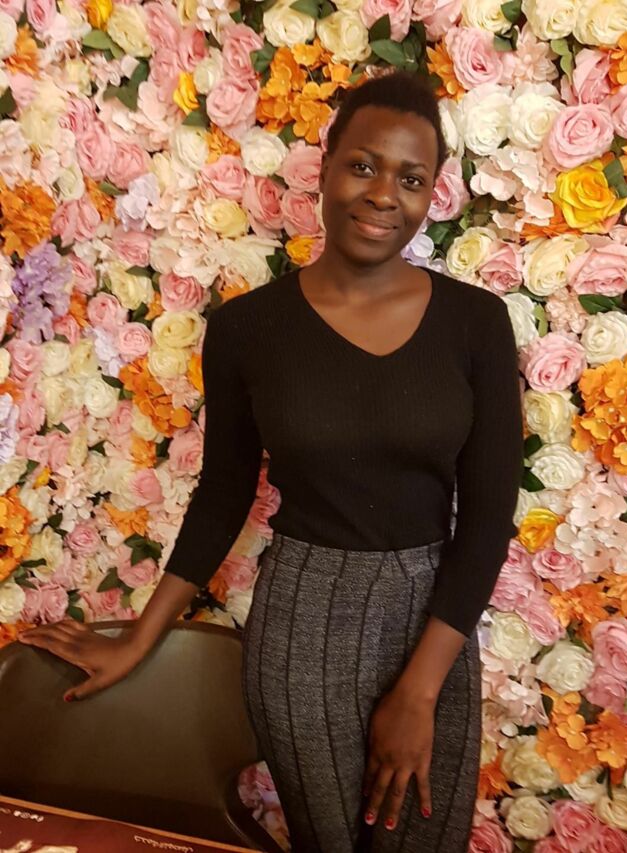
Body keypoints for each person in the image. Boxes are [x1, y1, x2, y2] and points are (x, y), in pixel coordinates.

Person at [19, 72, 524, 852]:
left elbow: (488, 518)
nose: (383, 194)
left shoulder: (476, 323)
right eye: (363, 165)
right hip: (301, 629)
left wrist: (420, 690)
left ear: (432, 195)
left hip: (434, 623)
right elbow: (223, 491)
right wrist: (141, 637)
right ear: (325, 167)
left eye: (410, 178)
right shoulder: (248, 329)